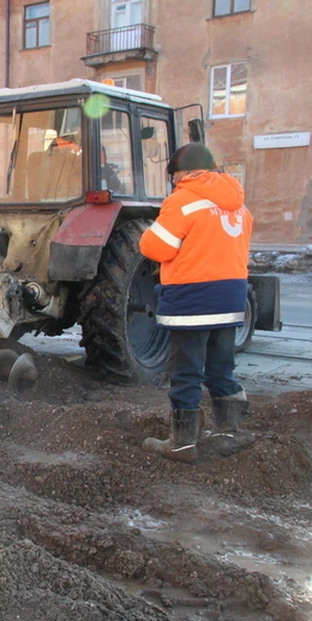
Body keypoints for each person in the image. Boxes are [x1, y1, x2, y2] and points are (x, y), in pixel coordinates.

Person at [139, 143, 254, 463]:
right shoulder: (240, 207)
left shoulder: (183, 201)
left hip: (193, 299)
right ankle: (227, 432)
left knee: (186, 370)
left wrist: (147, 236)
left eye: (175, 176)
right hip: (231, 298)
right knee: (221, 366)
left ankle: (182, 442)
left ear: (188, 173)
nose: (174, 183)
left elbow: (156, 247)